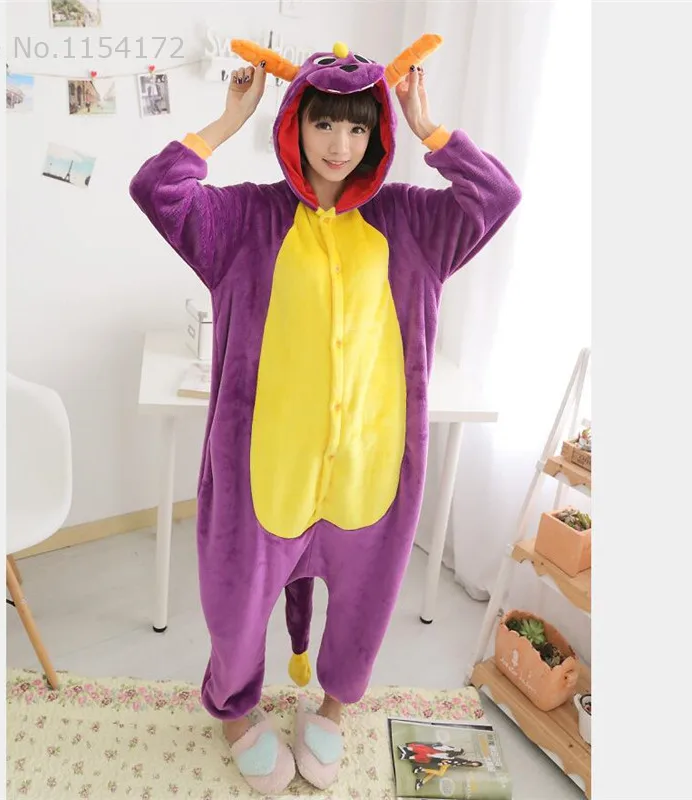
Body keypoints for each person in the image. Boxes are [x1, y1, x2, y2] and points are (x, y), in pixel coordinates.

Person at [129, 37, 521, 795]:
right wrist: (227, 118)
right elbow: (157, 188)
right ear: (294, 123)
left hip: (370, 471)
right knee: (236, 607)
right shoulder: (245, 218)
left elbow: (496, 197)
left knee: (364, 607)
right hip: (264, 471)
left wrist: (429, 127)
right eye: (323, 123)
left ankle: (334, 709)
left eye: (358, 127)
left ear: (378, 133)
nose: (340, 144)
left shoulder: (410, 222)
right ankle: (236, 713)